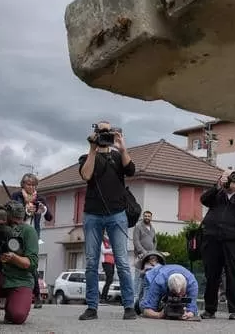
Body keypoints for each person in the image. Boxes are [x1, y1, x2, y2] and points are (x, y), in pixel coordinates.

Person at [77, 121, 136, 321]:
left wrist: (122, 147)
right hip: (92, 214)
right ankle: (92, 307)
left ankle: (129, 306)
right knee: (92, 262)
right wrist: (93, 149)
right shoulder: (87, 157)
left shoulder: (118, 156)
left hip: (117, 214)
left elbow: (131, 171)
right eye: (101, 131)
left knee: (122, 261)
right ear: (95, 133)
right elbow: (86, 175)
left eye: (107, 131)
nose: (104, 135)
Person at [200, 170, 235, 320]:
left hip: (233, 241)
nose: (230, 182)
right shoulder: (217, 195)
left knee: (234, 275)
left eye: (233, 180)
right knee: (211, 275)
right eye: (228, 179)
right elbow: (203, 199)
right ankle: (209, 309)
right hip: (212, 240)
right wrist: (218, 185)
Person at [0, 200, 39, 324]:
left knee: (17, 316)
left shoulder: (28, 232)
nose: (16, 224)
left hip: (20, 280)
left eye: (18, 220)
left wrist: (13, 258)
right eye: (13, 220)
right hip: (0, 276)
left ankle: (11, 306)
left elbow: (31, 263)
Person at [10, 173, 52, 308]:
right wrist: (25, 208)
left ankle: (37, 295)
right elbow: (11, 210)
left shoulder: (40, 198)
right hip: (18, 233)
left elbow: (49, 217)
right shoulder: (16, 196)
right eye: (28, 184)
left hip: (33, 235)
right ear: (23, 184)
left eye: (34, 185)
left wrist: (42, 210)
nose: (31, 187)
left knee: (32, 264)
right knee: (16, 261)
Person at [135, 251, 198, 320]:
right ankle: (138, 303)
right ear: (168, 287)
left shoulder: (192, 284)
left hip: (166, 272)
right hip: (152, 275)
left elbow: (192, 308)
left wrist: (189, 313)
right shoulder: (159, 282)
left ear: (186, 286)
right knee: (142, 306)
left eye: (181, 294)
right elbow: (146, 310)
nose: (178, 297)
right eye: (174, 294)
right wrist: (159, 315)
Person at [132, 210, 157, 295]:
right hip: (140, 255)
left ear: (151, 217)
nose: (147, 217)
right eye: (145, 216)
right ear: (143, 217)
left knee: (147, 277)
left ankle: (143, 296)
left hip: (150, 257)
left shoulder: (152, 228)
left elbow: (154, 241)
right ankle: (135, 296)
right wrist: (142, 251)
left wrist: (153, 252)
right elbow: (136, 241)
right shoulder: (138, 227)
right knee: (138, 276)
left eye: (148, 216)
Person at [100, 234, 115, 303]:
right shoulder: (102, 241)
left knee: (110, 280)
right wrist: (112, 250)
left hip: (112, 262)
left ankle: (105, 297)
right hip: (106, 262)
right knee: (109, 279)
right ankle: (103, 298)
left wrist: (110, 250)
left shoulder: (111, 241)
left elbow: (114, 251)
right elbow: (103, 251)